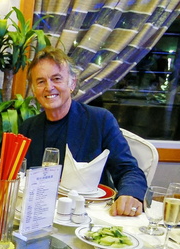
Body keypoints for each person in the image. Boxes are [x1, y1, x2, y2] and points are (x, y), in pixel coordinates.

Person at [20, 47, 147, 217]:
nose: (49, 87)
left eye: (56, 79)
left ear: (72, 83)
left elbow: (128, 169)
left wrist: (130, 194)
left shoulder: (100, 120)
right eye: (41, 81)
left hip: (87, 216)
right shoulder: (28, 128)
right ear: (34, 89)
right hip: (38, 215)